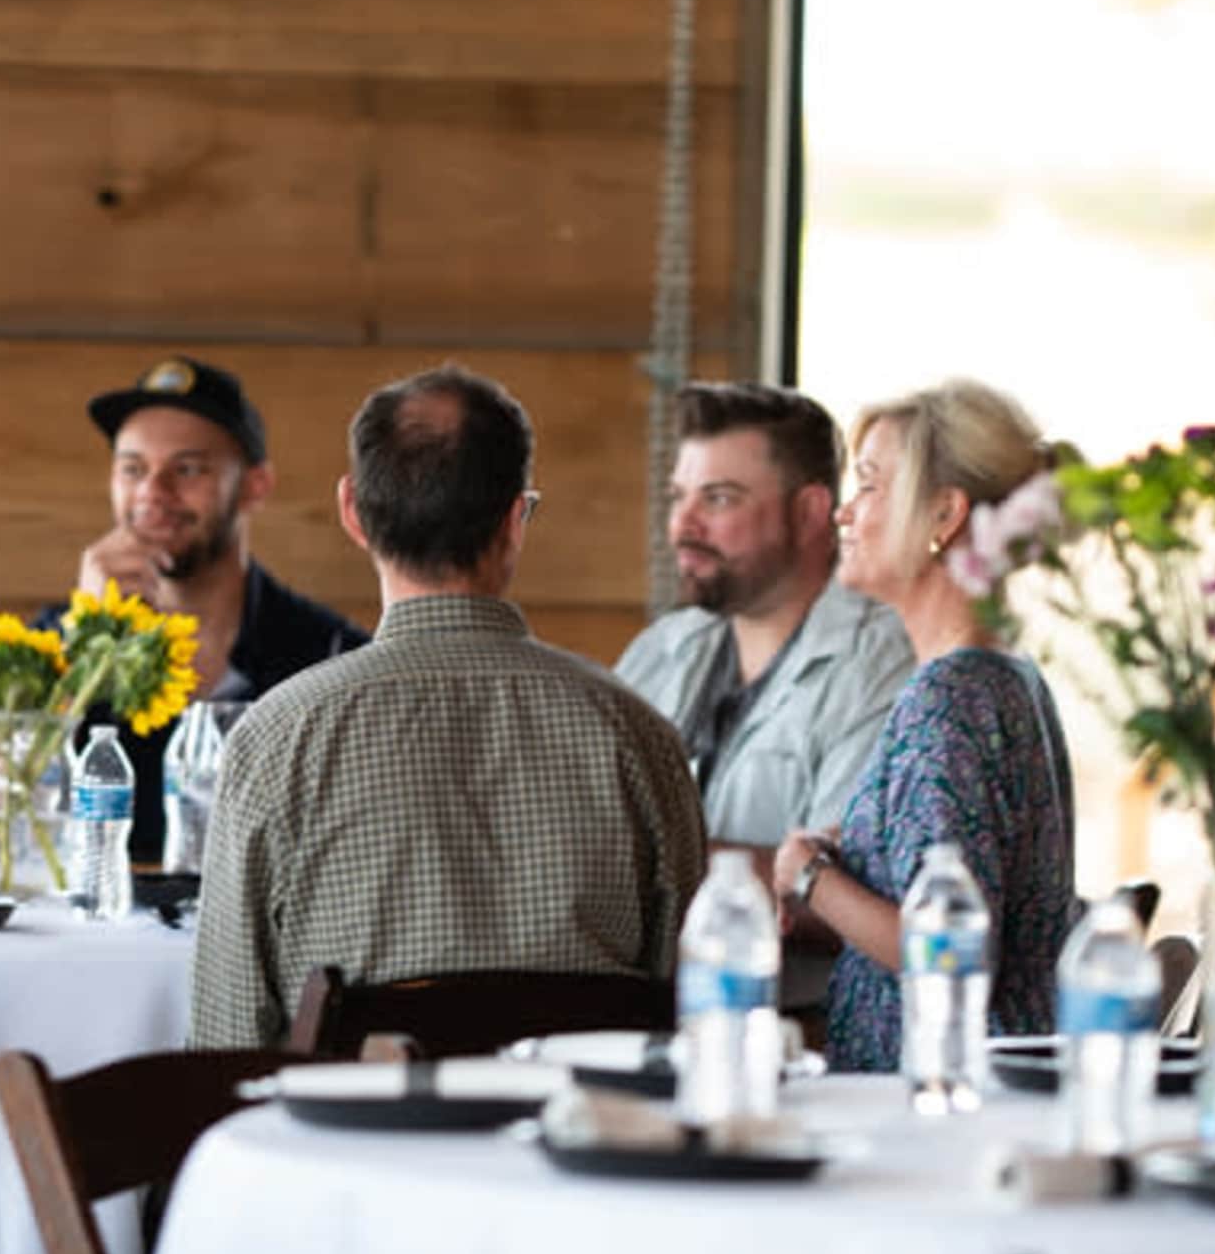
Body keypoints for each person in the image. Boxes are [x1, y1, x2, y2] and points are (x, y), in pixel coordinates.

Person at [190, 364, 705, 1047]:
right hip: (574, 1139)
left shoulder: (277, 738)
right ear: (517, 518)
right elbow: (695, 1010)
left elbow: (229, 1042)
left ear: (353, 513)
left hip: (351, 1148)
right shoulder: (639, 735)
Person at [771, 379, 1078, 1076]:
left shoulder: (951, 697)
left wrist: (808, 874)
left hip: (937, 1097)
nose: (845, 512)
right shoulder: (1004, 677)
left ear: (944, 514)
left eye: (871, 485)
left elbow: (949, 947)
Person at [613, 382, 914, 1001]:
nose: (682, 525)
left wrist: (633, 857)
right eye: (679, 497)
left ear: (810, 511)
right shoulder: (661, 650)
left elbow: (843, 896)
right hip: (648, 1016)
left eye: (718, 499)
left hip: (802, 1038)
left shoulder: (880, 662)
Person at [65, 356, 364, 864]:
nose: (153, 493)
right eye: (133, 468)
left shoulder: (335, 657)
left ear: (255, 485)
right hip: (92, 937)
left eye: (187, 469)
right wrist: (86, 646)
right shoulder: (58, 640)